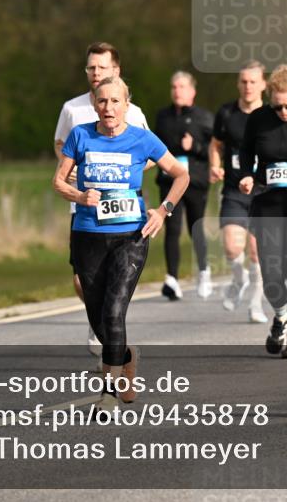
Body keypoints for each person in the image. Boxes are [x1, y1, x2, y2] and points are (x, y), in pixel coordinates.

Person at [54, 77, 190, 409]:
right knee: (98, 317)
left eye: (115, 102)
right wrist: (80, 195)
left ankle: (109, 393)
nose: (109, 108)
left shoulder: (142, 139)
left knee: (114, 313)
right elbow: (58, 181)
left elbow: (181, 174)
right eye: (102, 102)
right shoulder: (80, 135)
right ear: (95, 105)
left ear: (126, 105)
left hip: (130, 237)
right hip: (88, 236)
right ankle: (126, 355)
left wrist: (164, 210)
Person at [55, 43, 150, 352]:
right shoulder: (72, 108)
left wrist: (123, 167)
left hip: (122, 212)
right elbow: (61, 145)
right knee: (83, 282)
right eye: (91, 68)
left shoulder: (132, 112)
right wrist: (72, 170)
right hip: (83, 206)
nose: (95, 73)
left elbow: (152, 155)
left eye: (101, 68)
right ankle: (101, 325)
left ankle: (110, 330)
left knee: (115, 291)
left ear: (116, 72)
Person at [239, 65, 287, 358]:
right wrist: (246, 174)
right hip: (268, 204)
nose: (284, 112)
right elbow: (246, 150)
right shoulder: (259, 119)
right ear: (270, 98)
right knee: (271, 270)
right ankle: (281, 317)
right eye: (278, 106)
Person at [209, 61, 266, 323]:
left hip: (264, 193)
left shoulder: (271, 114)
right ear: (238, 84)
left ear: (263, 85)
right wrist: (215, 166)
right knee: (233, 247)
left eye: (253, 81)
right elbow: (216, 144)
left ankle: (256, 305)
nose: (248, 86)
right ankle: (239, 277)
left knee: (257, 252)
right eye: (243, 81)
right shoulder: (226, 113)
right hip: (233, 190)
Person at [155, 72, 213, 300]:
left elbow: (215, 150)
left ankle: (203, 272)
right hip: (169, 181)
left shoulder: (205, 118)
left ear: (192, 91)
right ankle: (172, 279)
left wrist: (196, 146)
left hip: (195, 181)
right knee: (172, 228)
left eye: (181, 87)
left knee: (195, 227)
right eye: (174, 86)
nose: (177, 91)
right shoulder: (163, 117)